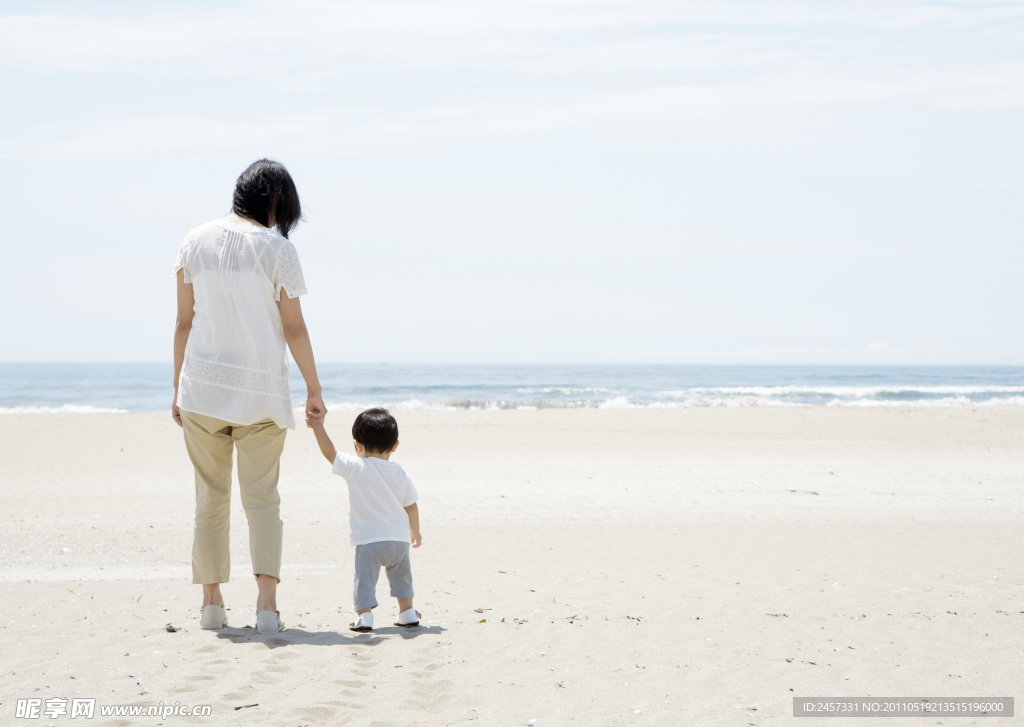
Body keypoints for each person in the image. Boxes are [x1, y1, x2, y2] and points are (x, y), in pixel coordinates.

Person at [172, 159, 326, 634]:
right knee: (262, 501)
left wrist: (177, 387)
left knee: (209, 499)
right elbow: (294, 327)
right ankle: (265, 606)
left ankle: (212, 605)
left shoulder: (194, 240)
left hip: (202, 389)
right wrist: (313, 389)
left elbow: (183, 321)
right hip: (261, 395)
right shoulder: (278, 250)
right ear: (276, 200)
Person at [308, 408, 422, 632]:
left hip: (369, 541)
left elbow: (329, 452)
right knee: (402, 578)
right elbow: (411, 505)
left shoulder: (355, 467)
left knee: (364, 581)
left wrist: (318, 425)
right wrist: (415, 532)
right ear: (395, 445)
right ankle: (407, 612)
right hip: (398, 541)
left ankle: (365, 617)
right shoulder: (401, 472)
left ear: (357, 445)